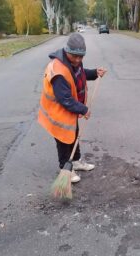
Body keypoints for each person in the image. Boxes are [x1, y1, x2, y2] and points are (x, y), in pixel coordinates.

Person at [38, 33, 106, 183]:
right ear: (66, 50)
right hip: (57, 112)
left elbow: (80, 74)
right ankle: (65, 169)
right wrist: (83, 109)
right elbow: (65, 99)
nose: (78, 60)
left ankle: (75, 161)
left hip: (68, 111)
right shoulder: (58, 70)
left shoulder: (74, 62)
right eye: (74, 56)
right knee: (63, 139)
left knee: (74, 134)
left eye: (81, 57)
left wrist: (95, 73)